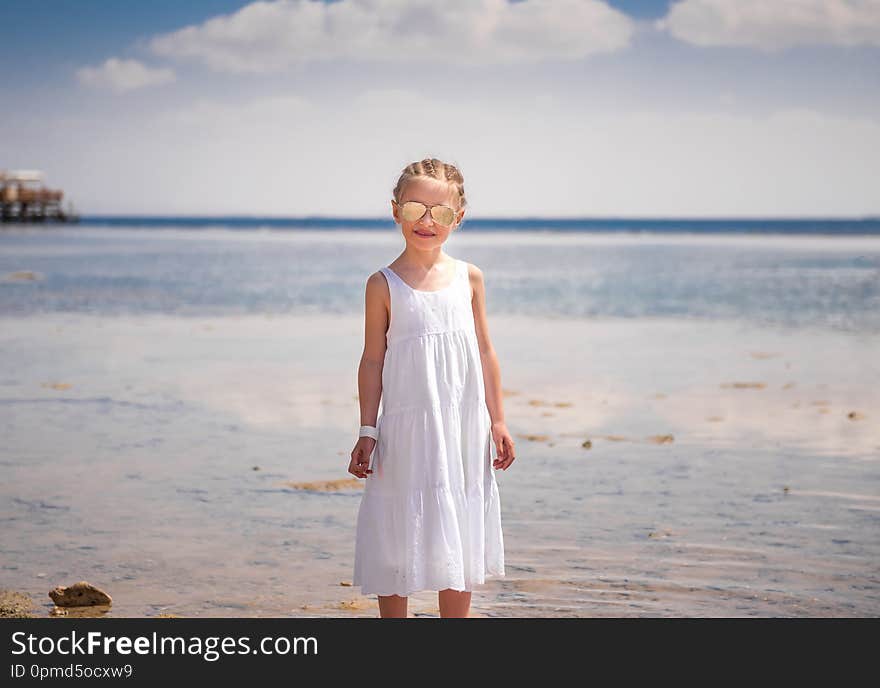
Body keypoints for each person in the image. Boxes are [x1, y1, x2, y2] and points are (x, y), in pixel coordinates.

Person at [350, 157, 516, 619]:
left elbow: (485, 351)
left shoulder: (470, 277)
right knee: (395, 526)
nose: (427, 222)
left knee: (457, 525)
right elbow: (372, 359)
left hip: (462, 425)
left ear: (457, 218)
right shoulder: (382, 284)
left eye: (440, 213)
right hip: (406, 425)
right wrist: (368, 429)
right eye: (415, 209)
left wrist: (498, 419)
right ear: (395, 210)